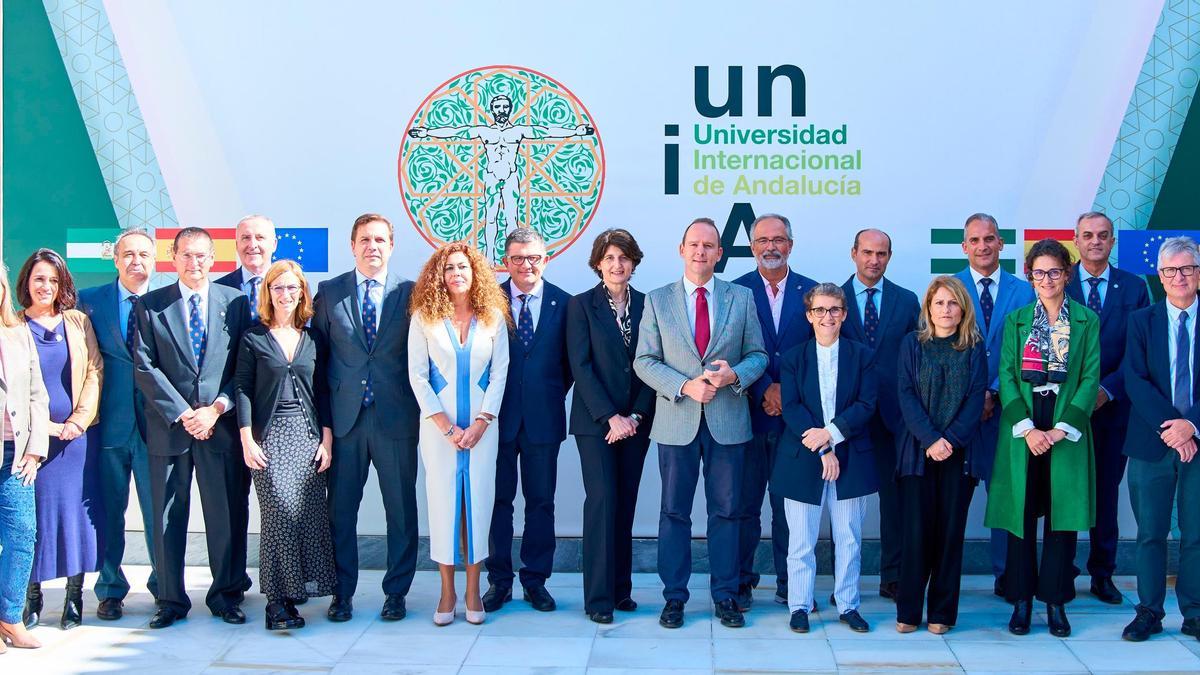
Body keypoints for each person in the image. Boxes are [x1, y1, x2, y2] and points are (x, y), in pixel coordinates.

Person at [634, 217, 767, 630]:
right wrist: (685, 386)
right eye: (694, 244)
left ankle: (726, 595)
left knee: (727, 512)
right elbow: (644, 360)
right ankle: (674, 598)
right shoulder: (657, 300)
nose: (701, 252)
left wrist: (734, 376)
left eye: (709, 246)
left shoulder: (741, 297)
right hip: (677, 422)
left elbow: (758, 355)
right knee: (674, 513)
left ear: (720, 253)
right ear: (681, 249)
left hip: (728, 421)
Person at [133, 227, 253, 629]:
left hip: (218, 428)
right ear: (173, 256)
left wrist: (216, 409)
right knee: (168, 517)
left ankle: (226, 595)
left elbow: (244, 365)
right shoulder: (151, 306)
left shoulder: (234, 303)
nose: (194, 262)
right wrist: (185, 413)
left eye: (202, 255)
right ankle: (169, 599)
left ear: (213, 258)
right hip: (170, 430)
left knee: (225, 515)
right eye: (186, 255)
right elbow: (144, 366)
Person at [985, 238, 1099, 638]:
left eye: (1054, 271)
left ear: (1066, 274)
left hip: (1065, 427)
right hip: (1024, 428)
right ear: (1030, 276)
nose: (1047, 279)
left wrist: (1060, 429)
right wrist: (1029, 429)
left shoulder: (1086, 320)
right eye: (1039, 272)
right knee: (1020, 517)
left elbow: (1089, 379)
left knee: (1060, 519)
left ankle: (1055, 602)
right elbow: (1007, 378)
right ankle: (1021, 601)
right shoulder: (1016, 320)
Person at [311, 213, 420, 622]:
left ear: (391, 246)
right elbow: (317, 363)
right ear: (352, 245)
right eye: (364, 240)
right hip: (345, 423)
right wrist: (323, 425)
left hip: (396, 419)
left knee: (401, 510)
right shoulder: (329, 292)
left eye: (379, 240)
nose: (372, 246)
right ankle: (341, 594)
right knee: (340, 513)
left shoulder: (411, 293)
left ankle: (397, 593)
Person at [408, 242, 510, 626]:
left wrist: (482, 421)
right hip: (439, 431)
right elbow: (418, 376)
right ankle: (447, 591)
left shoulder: (493, 317)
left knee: (479, 505)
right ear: (440, 274)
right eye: (449, 268)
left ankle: (473, 591)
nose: (456, 274)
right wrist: (446, 426)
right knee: (443, 504)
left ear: (475, 272)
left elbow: (500, 373)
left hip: (484, 431)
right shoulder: (424, 317)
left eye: (463, 267)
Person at [769, 283, 878, 635]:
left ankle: (848, 605)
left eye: (834, 310)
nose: (827, 316)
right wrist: (822, 448)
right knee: (801, 540)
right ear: (809, 315)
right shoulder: (794, 357)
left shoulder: (862, 356)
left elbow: (865, 405)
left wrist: (831, 436)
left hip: (851, 458)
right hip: (803, 458)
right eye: (820, 310)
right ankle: (799, 605)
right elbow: (793, 407)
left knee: (848, 537)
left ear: (844, 314)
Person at [234, 260, 336, 631]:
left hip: (308, 435)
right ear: (268, 293)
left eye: (292, 287)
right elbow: (242, 388)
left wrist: (326, 440)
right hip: (268, 438)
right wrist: (246, 438)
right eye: (278, 287)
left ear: (302, 292)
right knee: (277, 515)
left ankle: (294, 595)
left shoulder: (314, 339)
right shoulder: (253, 337)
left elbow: (323, 390)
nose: (286, 294)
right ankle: (275, 602)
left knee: (307, 515)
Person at [567, 229, 655, 624]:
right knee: (602, 503)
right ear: (598, 263)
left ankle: (621, 591)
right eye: (609, 258)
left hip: (636, 422)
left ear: (633, 262)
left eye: (624, 257)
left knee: (625, 505)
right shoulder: (581, 306)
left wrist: (635, 415)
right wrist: (610, 417)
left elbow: (656, 363)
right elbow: (580, 367)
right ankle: (598, 598)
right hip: (596, 423)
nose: (617, 265)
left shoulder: (649, 306)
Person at [484, 227, 573, 614]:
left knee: (541, 503)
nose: (526, 265)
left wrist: (548, 394)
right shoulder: (488, 300)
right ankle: (499, 582)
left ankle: (536, 580)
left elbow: (570, 364)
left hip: (543, 420)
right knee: (498, 503)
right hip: (496, 421)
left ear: (545, 260)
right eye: (518, 258)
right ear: (506, 262)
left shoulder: (565, 304)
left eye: (533, 257)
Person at [16, 249, 104, 631]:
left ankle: (74, 597)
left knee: (75, 517)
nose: (46, 286)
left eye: (53, 280)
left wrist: (78, 421)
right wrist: (45, 427)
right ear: (27, 283)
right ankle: (32, 598)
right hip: (32, 441)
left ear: (62, 284)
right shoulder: (13, 326)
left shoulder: (77, 321)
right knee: (32, 517)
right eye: (39, 279)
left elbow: (95, 370)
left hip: (76, 439)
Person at [732, 213, 817, 608]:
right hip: (747, 415)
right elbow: (728, 350)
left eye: (779, 239)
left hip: (796, 422)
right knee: (745, 506)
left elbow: (823, 355)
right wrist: (766, 387)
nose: (771, 247)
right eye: (763, 240)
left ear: (791, 245)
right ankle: (743, 582)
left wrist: (788, 392)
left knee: (790, 509)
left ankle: (790, 584)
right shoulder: (734, 291)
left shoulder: (813, 293)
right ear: (751, 247)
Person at [894, 276, 987, 634]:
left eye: (952, 303)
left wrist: (949, 440)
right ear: (928, 309)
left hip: (959, 456)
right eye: (938, 303)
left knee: (950, 536)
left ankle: (942, 614)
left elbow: (976, 399)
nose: (945, 310)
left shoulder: (974, 348)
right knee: (915, 534)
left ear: (962, 308)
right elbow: (906, 395)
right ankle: (908, 612)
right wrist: (931, 439)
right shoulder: (912, 345)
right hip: (917, 454)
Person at [1065, 211, 1149, 604]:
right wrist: (1081, 394)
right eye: (1087, 235)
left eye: (1102, 235)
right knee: (1062, 492)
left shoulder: (1134, 287)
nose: (1095, 241)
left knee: (1105, 495)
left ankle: (1102, 573)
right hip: (1066, 410)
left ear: (1112, 241)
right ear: (1075, 241)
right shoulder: (1059, 284)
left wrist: (1107, 390)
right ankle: (1061, 571)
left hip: (1114, 411)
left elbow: (1140, 350)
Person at [1120, 236, 1200, 643]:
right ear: (1160, 277)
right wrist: (1174, 427)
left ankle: (1195, 612)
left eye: (1187, 268)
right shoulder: (1142, 320)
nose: (1179, 277)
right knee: (1150, 532)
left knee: (1196, 532)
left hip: (1199, 443)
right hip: (1153, 442)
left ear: (1198, 273)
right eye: (1171, 270)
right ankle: (1149, 611)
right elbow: (1135, 379)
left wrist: (1192, 426)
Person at [78, 228, 159, 620]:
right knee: (109, 512)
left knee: (156, 513)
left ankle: (165, 587)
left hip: (156, 429)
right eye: (128, 254)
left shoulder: (165, 302)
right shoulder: (89, 301)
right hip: (108, 426)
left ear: (154, 259)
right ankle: (110, 590)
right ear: (115, 258)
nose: (136, 262)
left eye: (144, 254)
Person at [953, 213, 1035, 596]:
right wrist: (974, 395)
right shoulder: (950, 288)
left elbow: (1030, 351)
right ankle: (946, 580)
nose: (982, 246)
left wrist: (996, 391)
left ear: (1001, 243)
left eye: (989, 239)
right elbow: (940, 349)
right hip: (960, 416)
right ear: (964, 246)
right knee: (952, 500)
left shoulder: (1025, 291)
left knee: (1007, 499)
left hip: (1009, 411)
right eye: (975, 240)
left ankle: (1009, 579)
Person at [839, 229, 920, 600]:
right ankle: (845, 579)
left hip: (894, 416)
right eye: (867, 252)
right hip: (847, 415)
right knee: (843, 504)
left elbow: (916, 360)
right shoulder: (833, 299)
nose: (874, 260)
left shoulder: (906, 301)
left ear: (890, 256)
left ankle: (893, 575)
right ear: (854, 253)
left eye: (882, 254)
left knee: (896, 500)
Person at [0, 268, 49, 652]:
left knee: (21, 537)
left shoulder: (18, 335)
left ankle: (10, 617)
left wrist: (35, 448)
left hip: (14, 454)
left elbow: (37, 394)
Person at [215, 215, 278, 323]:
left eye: (260, 237)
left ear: (274, 244)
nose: (252, 245)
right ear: (236, 245)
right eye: (246, 238)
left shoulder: (292, 287)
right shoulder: (217, 289)